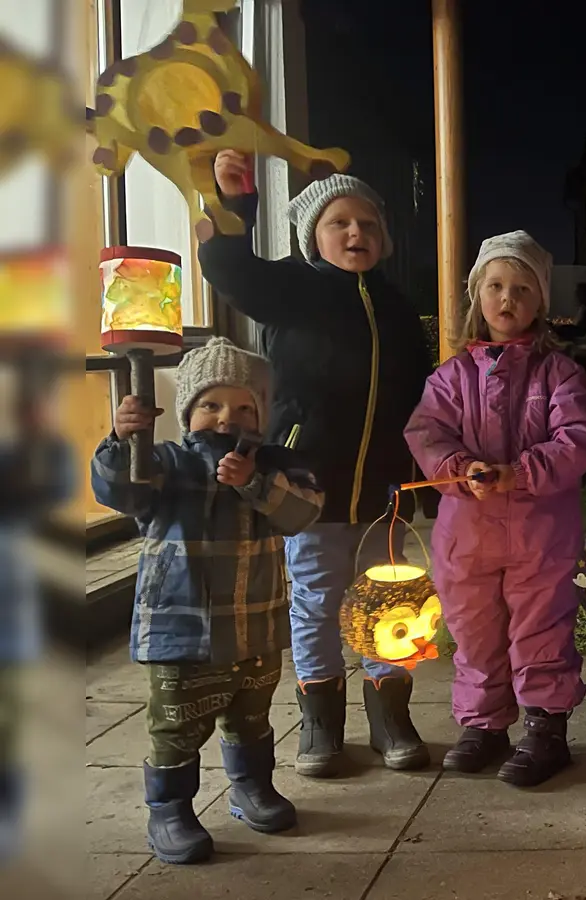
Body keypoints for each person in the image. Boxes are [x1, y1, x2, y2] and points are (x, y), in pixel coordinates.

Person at [201, 151, 434, 778]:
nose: (357, 233)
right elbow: (230, 269)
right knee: (315, 603)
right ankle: (321, 722)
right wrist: (234, 204)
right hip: (308, 486)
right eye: (340, 223)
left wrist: (427, 478)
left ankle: (391, 717)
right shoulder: (293, 291)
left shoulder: (397, 307)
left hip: (385, 489)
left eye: (369, 224)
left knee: (389, 600)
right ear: (313, 237)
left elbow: (421, 396)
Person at [91, 338, 324, 864]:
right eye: (211, 404)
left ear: (262, 415)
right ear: (186, 411)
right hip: (181, 628)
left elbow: (303, 512)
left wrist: (254, 484)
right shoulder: (165, 462)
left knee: (252, 714)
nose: (226, 418)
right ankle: (169, 810)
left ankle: (251, 786)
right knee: (176, 723)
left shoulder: (277, 465)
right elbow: (121, 491)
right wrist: (121, 441)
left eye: (244, 407)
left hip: (256, 626)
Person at [405, 231, 586, 787]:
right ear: (477, 295)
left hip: (542, 534)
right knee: (474, 629)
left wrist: (523, 471)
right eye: (495, 286)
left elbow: (577, 438)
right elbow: (427, 433)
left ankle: (545, 728)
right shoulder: (451, 377)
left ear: (540, 302)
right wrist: (460, 467)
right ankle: (484, 724)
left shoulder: (558, 374)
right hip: (467, 534)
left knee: (542, 628)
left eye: (521, 288)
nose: (507, 298)